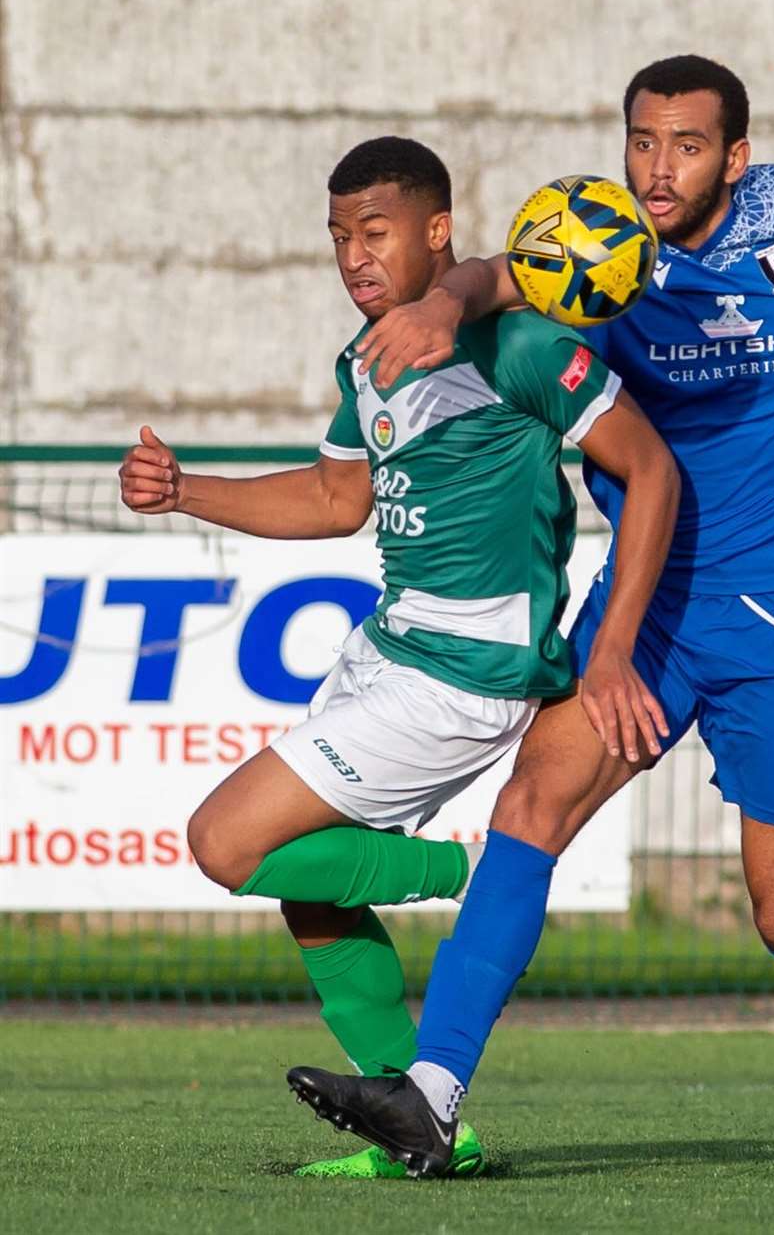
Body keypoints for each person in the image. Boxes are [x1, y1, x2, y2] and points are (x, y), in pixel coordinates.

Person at [287, 57, 774, 1182]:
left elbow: (746, 230)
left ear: (734, 154)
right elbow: (500, 273)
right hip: (652, 596)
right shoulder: (588, 258)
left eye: (686, 144)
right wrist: (444, 300)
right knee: (530, 806)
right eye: (641, 142)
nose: (658, 166)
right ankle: (432, 1097)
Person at [118, 135, 678, 1179]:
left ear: (437, 231)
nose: (355, 256)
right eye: (339, 238)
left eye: (375, 233)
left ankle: (464, 871)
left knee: (224, 844)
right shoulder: (365, 360)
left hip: (463, 674)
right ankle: (424, 1126)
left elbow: (652, 473)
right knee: (309, 890)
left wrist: (612, 652)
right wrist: (184, 489)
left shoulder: (517, 345)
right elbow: (338, 500)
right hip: (388, 649)